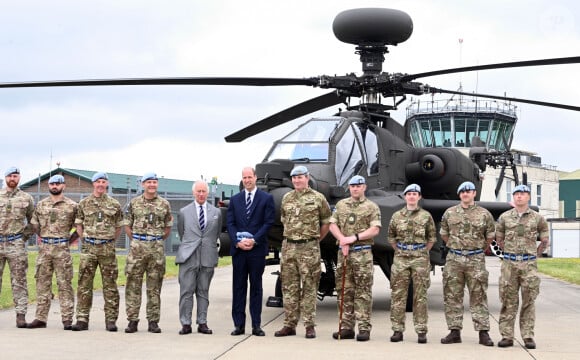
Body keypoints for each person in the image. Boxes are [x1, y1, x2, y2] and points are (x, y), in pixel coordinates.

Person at [274, 165, 331, 339]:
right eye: (295, 178)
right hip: (289, 247)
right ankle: (289, 325)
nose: (297, 180)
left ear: (307, 178)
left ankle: (309, 325)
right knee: (289, 287)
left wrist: (314, 240)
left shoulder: (318, 198)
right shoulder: (287, 198)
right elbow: (284, 220)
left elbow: (326, 222)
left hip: (309, 248)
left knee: (309, 287)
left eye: (301, 177)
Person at [439, 181, 495, 346]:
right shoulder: (449, 213)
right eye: (462, 191)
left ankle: (483, 333)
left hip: (475, 259)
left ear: (474, 193)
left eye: (468, 191)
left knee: (478, 295)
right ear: (459, 194)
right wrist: (457, 247)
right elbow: (444, 234)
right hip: (454, 258)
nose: (465, 193)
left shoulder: (484, 214)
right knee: (452, 295)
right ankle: (454, 331)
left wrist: (475, 249)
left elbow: (489, 237)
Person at [496, 184, 549, 350]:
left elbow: (545, 239)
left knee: (528, 300)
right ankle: (507, 336)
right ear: (513, 197)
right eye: (516, 194)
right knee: (507, 300)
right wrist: (510, 254)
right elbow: (499, 240)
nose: (519, 196)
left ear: (528, 197)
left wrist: (535, 254)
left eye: (523, 194)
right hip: (509, 264)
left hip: (529, 264)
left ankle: (527, 336)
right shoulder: (504, 217)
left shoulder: (537, 218)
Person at [328, 175, 381, 342]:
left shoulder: (371, 206)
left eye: (358, 186)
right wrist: (342, 239)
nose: (355, 188)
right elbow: (332, 224)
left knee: (363, 291)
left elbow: (375, 229)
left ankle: (364, 328)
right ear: (349, 188)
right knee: (344, 290)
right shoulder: (341, 205)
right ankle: (346, 327)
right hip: (343, 253)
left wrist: (354, 238)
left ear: (364, 187)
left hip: (362, 252)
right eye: (352, 186)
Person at [71, 172, 123, 332]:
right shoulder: (84, 203)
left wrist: (108, 240)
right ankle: (82, 319)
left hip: (107, 248)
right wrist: (85, 239)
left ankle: (111, 320)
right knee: (84, 285)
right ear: (93, 184)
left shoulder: (114, 204)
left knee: (110, 285)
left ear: (107, 184)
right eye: (98, 181)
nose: (101, 184)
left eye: (103, 181)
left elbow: (118, 227)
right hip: (89, 248)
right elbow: (79, 224)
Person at [227, 167, 275, 337]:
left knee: (256, 287)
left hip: (256, 250)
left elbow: (268, 222)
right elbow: (230, 224)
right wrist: (237, 242)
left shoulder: (266, 198)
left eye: (250, 177)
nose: (247, 180)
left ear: (256, 178)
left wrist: (254, 240)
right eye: (244, 177)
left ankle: (256, 325)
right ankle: (239, 325)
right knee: (238, 287)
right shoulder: (235, 199)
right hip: (239, 251)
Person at [124, 172, 173, 334]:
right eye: (149, 182)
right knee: (133, 285)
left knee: (154, 286)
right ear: (143, 184)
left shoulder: (164, 204)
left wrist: (155, 239)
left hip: (156, 250)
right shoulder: (134, 203)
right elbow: (127, 226)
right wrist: (139, 240)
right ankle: (132, 320)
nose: (152, 185)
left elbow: (167, 227)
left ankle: (153, 321)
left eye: (154, 182)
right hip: (137, 248)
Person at [27, 175, 78, 330]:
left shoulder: (72, 206)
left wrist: (69, 240)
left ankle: (67, 318)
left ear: (64, 186)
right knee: (42, 283)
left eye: (58, 184)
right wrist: (44, 238)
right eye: (52, 183)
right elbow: (35, 226)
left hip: (62, 249)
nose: (54, 186)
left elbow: (79, 227)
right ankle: (41, 318)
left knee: (64, 284)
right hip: (45, 250)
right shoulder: (41, 205)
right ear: (48, 186)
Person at [387, 183, 436, 344]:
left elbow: (431, 238)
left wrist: (420, 251)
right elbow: (391, 237)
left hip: (420, 258)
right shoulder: (396, 216)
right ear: (405, 196)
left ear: (419, 197)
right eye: (409, 194)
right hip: (401, 258)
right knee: (398, 295)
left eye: (415, 194)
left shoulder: (426, 216)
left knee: (420, 296)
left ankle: (421, 330)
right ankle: (397, 330)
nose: (412, 196)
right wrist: (401, 250)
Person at [176, 180, 221, 335]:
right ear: (193, 193)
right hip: (188, 256)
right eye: (198, 191)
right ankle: (186, 323)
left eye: (204, 191)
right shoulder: (183, 212)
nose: (201, 194)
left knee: (203, 291)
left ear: (207, 193)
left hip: (207, 256)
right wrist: (190, 246)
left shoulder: (216, 212)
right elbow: (182, 232)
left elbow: (216, 233)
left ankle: (202, 322)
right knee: (186, 290)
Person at [0, 166, 35, 328]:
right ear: (5, 177)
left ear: (19, 178)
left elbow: (33, 220)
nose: (13, 178)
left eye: (16, 176)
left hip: (16, 244)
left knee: (19, 281)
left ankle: (21, 315)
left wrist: (23, 236)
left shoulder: (26, 198)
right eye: (10, 176)